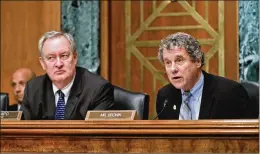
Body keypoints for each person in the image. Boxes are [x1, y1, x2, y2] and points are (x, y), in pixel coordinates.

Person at [21, 31, 114, 120]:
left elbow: (96, 133)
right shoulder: (33, 89)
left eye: (64, 56)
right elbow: (23, 132)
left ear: (74, 58)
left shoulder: (98, 89)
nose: (58, 64)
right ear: (42, 63)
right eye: (51, 58)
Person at [156, 32, 250, 120]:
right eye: (168, 63)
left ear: (198, 61)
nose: (173, 69)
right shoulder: (165, 96)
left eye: (179, 60)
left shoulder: (229, 93)